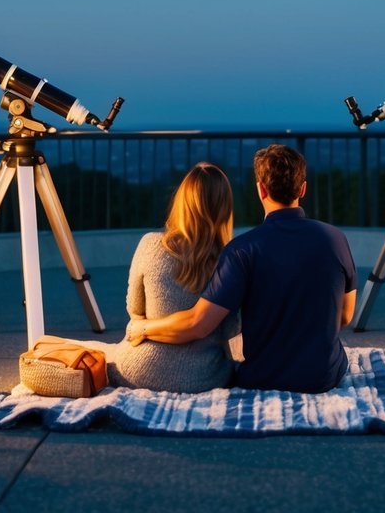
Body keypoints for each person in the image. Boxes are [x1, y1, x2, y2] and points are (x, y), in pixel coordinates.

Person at [127, 144, 357, 393]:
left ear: (261, 190)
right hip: (323, 378)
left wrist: (142, 328)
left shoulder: (242, 251)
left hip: (264, 379)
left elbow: (199, 323)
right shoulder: (335, 238)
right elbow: (345, 316)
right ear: (303, 188)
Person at [107, 162, 240, 392]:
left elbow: (135, 309)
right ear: (224, 208)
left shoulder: (149, 244)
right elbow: (229, 328)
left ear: (182, 201)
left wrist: (150, 326)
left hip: (140, 370)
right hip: (203, 379)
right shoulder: (229, 261)